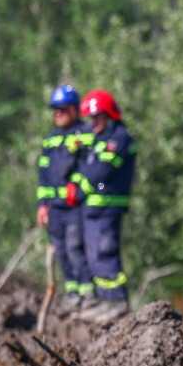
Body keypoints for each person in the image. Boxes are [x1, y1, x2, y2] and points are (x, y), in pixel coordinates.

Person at [74, 89, 134, 324]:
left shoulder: (119, 137)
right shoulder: (98, 138)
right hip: (94, 207)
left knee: (105, 254)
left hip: (108, 206)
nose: (93, 123)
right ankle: (104, 300)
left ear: (109, 115)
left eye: (97, 118)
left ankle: (117, 301)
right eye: (91, 119)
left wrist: (85, 186)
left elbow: (102, 173)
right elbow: (87, 167)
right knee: (93, 256)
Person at [37, 84, 94, 313]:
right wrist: (42, 206)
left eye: (62, 109)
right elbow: (43, 175)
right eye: (55, 109)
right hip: (55, 209)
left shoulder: (86, 135)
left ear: (74, 110)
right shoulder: (50, 140)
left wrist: (80, 189)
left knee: (76, 248)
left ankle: (87, 294)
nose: (57, 114)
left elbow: (96, 172)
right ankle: (72, 293)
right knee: (61, 251)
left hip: (75, 207)